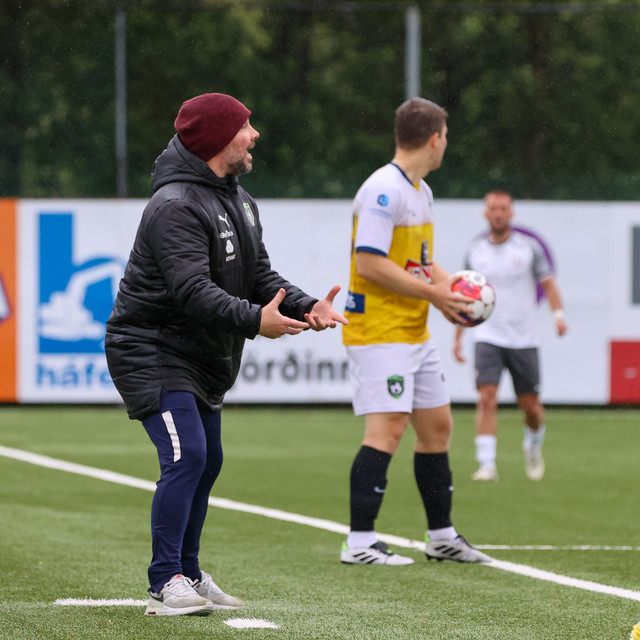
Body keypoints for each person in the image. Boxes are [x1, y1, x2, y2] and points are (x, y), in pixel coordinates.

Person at [105, 93, 347, 616]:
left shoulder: (240, 199)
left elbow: (260, 277)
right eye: (244, 126)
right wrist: (257, 321)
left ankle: (189, 573)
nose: (254, 134)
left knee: (207, 460)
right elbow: (193, 291)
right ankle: (165, 582)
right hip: (151, 348)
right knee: (187, 455)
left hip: (198, 354)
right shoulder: (174, 206)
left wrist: (308, 306)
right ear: (218, 138)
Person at [340, 97, 491, 566]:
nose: (446, 144)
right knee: (387, 430)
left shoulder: (420, 190)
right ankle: (360, 542)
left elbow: (419, 263)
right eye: (446, 136)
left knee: (437, 427)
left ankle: (441, 537)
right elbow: (369, 263)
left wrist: (455, 291)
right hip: (379, 329)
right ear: (434, 139)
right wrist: (436, 295)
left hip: (412, 330)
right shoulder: (384, 190)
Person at [453, 190, 569, 482]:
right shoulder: (475, 251)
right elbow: (463, 298)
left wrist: (558, 316)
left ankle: (533, 444)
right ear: (486, 213)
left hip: (523, 339)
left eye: (503, 208)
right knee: (486, 398)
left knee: (531, 407)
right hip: (487, 335)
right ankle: (486, 464)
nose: (498, 213)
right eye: (493, 208)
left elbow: (548, 284)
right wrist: (458, 337)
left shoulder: (528, 249)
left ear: (512, 212)